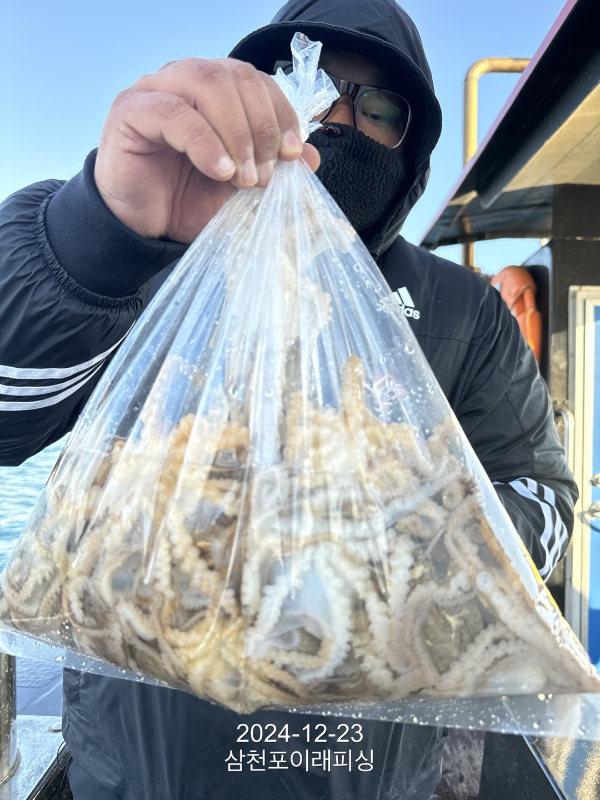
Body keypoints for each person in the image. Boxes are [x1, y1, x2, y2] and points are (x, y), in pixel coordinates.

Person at [0, 0, 576, 798]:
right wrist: (96, 235)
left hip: (368, 778)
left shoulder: (464, 310)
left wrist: (389, 533)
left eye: (380, 108)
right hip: (140, 776)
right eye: (312, 90)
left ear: (412, 147)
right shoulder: (152, 257)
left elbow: (544, 501)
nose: (339, 121)